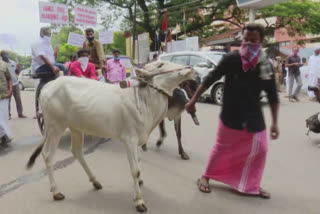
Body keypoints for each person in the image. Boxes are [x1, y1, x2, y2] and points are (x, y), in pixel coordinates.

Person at [185, 24, 279, 198]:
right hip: (230, 114)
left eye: (253, 41)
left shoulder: (265, 64)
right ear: (241, 40)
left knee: (261, 149)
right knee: (222, 149)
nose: (248, 44)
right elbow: (210, 79)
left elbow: (272, 95)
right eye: (245, 40)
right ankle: (206, 176)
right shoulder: (231, 59)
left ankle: (252, 184)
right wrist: (192, 100)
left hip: (253, 116)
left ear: (261, 42)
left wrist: (274, 123)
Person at [0, 51, 26, 119]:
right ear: (1, 56)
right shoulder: (1, 64)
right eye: (4, 55)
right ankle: (8, 115)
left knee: (18, 99)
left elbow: (17, 73)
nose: (6, 56)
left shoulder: (13, 62)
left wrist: (18, 68)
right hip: (7, 85)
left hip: (15, 83)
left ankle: (20, 113)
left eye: (6, 54)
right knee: (8, 100)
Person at [0, 56, 13, 144]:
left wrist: (10, 89)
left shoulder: (4, 65)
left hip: (3, 95)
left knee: (3, 117)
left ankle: (4, 136)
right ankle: (7, 135)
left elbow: (9, 78)